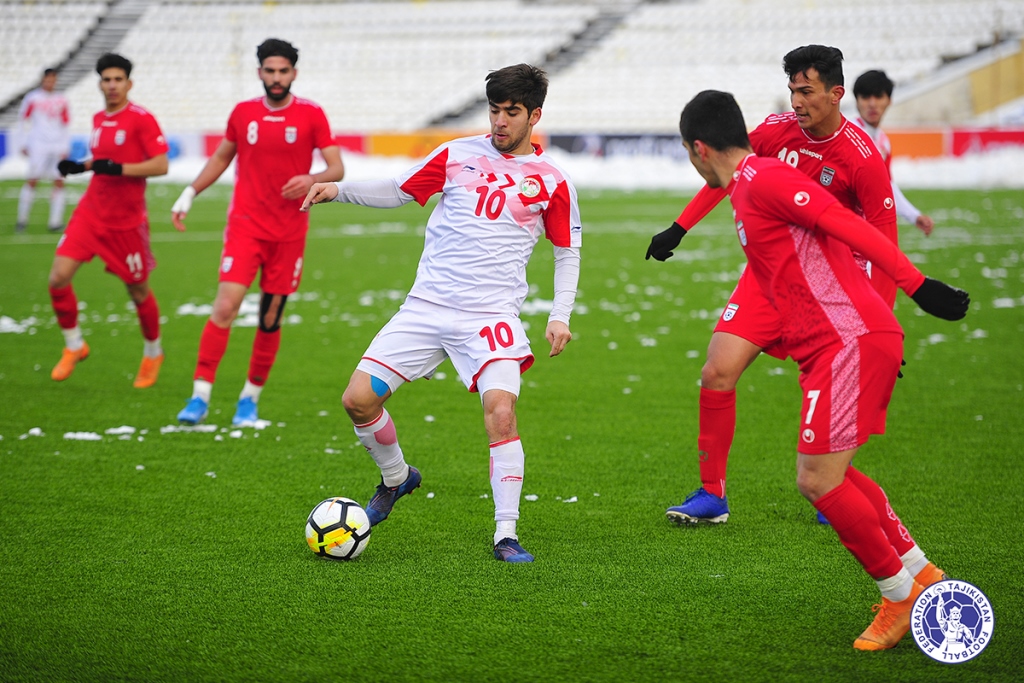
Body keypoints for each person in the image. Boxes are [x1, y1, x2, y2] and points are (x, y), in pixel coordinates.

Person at [677, 88, 969, 650]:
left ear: (699, 149)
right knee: (835, 472)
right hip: (826, 344)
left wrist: (915, 285)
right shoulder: (747, 184)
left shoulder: (763, 179)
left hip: (848, 338)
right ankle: (921, 572)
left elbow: (845, 222)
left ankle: (898, 593)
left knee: (816, 480)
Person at [300, 64, 581, 563]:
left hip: (491, 317)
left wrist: (560, 314)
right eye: (494, 110)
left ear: (535, 115)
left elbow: (566, 251)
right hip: (427, 306)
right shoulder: (456, 155)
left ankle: (506, 534)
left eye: (511, 113)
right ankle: (397, 477)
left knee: (501, 412)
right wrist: (336, 190)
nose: (499, 121)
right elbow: (399, 189)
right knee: (358, 401)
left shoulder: (552, 181)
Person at [646, 45, 905, 525]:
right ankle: (711, 494)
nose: (796, 101)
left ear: (836, 94)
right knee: (716, 372)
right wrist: (680, 228)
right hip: (766, 280)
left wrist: (883, 317)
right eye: (792, 90)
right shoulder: (773, 131)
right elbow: (723, 170)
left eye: (805, 91)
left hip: (830, 290)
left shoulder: (863, 158)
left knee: (832, 389)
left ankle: (833, 484)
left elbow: (882, 240)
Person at [172, 38, 344, 427]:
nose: (277, 77)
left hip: (289, 232)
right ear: (259, 72)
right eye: (270, 71)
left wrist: (311, 178)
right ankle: (199, 396)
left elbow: (336, 168)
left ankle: (249, 400)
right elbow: (220, 156)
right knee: (225, 307)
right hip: (246, 227)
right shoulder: (243, 113)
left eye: (284, 71)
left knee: (270, 318)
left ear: (294, 74)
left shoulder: (312, 115)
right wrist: (190, 191)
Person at [48, 53, 169, 387]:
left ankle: (153, 352)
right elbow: (104, 159)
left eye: (118, 79)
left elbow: (161, 165)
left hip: (126, 223)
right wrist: (82, 166)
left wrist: (119, 169)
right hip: (91, 213)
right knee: (58, 278)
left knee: (138, 291)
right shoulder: (99, 117)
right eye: (106, 79)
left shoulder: (142, 119)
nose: (112, 85)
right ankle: (75, 345)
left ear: (128, 83)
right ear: (100, 83)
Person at [852, 69, 935, 236]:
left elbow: (886, 186)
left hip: (866, 229)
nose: (872, 104)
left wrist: (914, 216)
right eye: (866, 97)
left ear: (889, 100)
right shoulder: (848, 133)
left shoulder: (883, 142)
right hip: (845, 228)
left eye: (878, 96)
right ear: (857, 101)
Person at [14, 68, 70, 233]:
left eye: (53, 80)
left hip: (57, 145)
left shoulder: (62, 99)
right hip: (38, 144)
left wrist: (65, 146)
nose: (50, 83)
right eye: (48, 80)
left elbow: (66, 123)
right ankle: (22, 220)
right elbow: (23, 120)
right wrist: (23, 143)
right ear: (42, 80)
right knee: (32, 180)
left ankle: (55, 222)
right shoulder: (32, 98)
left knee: (59, 181)